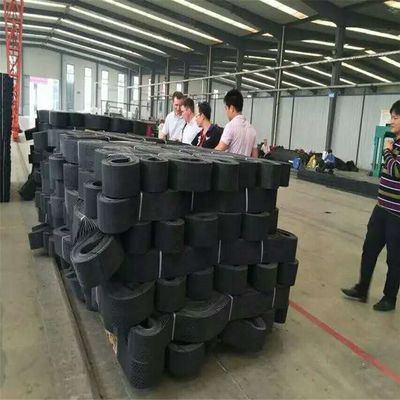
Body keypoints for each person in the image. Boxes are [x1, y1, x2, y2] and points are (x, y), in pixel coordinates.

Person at [341, 100, 400, 312]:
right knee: (369, 249)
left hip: (396, 214)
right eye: (391, 117)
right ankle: (362, 288)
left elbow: (397, 171)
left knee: (394, 259)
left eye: (395, 117)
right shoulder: (394, 144)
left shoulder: (391, 147)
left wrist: (387, 152)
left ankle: (389, 298)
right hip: (381, 208)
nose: (391, 121)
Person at [215, 89, 258, 158]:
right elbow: (255, 157)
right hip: (246, 165)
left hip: (231, 164)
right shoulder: (252, 129)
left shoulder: (230, 126)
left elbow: (219, 150)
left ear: (232, 108)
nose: (226, 112)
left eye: (226, 108)